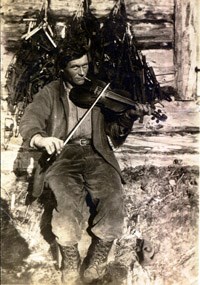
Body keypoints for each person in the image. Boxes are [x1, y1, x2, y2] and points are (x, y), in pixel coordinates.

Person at [19, 43, 150, 284]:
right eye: (75, 67)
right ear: (63, 69)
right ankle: (70, 258)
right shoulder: (51, 91)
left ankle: (99, 256)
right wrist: (41, 138)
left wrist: (129, 117)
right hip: (63, 155)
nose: (82, 72)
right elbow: (30, 119)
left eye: (86, 66)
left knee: (113, 197)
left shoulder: (98, 91)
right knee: (67, 203)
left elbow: (114, 131)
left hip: (95, 152)